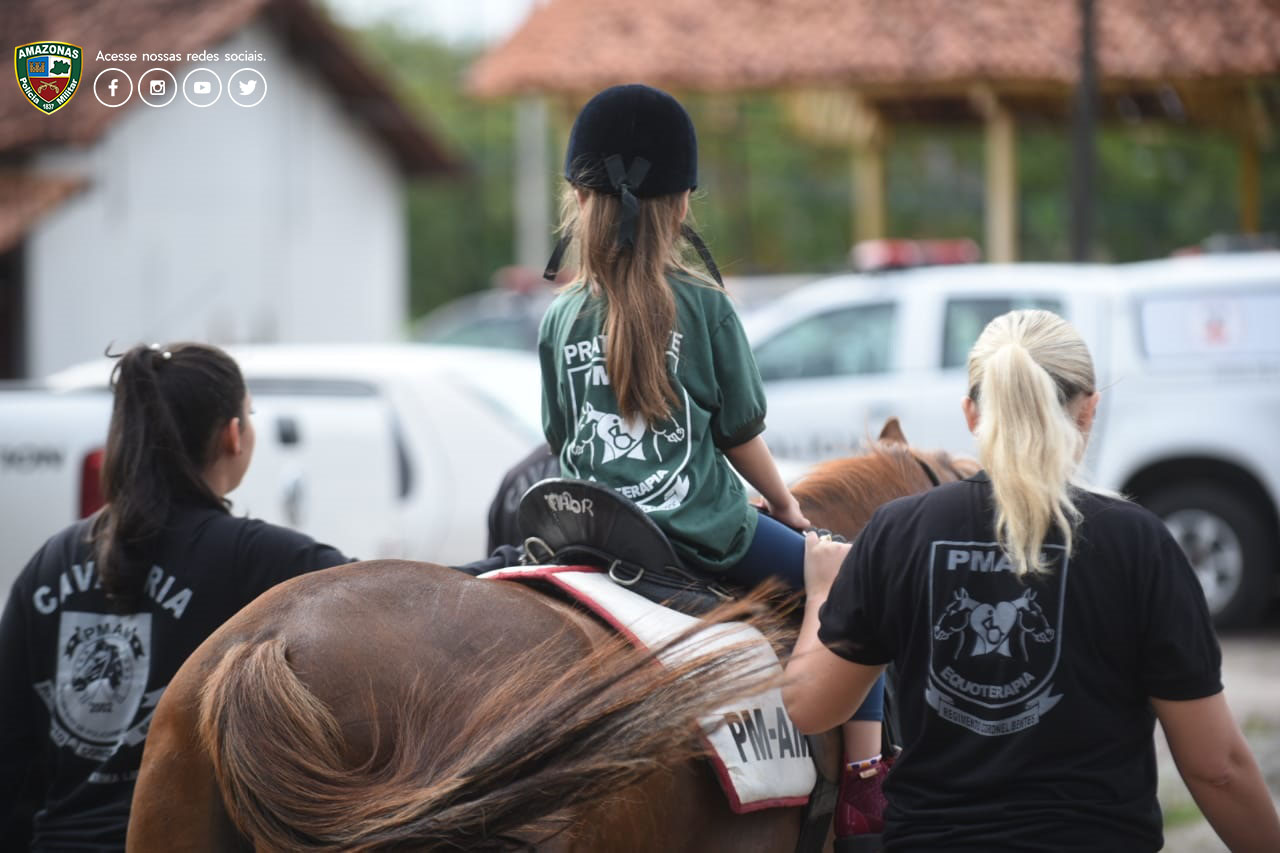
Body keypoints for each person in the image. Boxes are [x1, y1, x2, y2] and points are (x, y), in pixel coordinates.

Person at [783, 310, 1280, 851]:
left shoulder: (898, 532)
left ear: (972, 413)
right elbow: (1218, 769)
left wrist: (823, 595)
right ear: (1088, 409)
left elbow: (811, 707)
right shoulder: (1139, 545)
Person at [537, 82, 885, 830]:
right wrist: (788, 508)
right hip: (697, 534)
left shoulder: (560, 316)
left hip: (589, 532)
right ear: (684, 203)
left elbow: (563, 438)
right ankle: (864, 780)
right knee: (860, 594)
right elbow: (737, 433)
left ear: (576, 196)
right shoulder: (704, 307)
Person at [0, 343, 351, 851]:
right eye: (248, 416)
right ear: (233, 435)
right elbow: (388, 592)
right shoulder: (250, 556)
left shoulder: (51, 561)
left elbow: (9, 746)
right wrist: (501, 558)